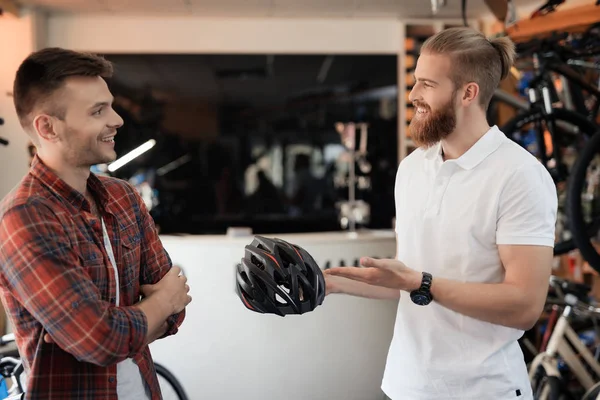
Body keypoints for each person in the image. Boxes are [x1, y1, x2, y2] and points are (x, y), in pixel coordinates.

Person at [325, 27, 557, 400]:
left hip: (482, 390)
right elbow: (406, 277)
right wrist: (328, 283)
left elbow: (524, 306)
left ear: (468, 93)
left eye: (427, 84)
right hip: (407, 385)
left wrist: (421, 283)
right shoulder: (413, 168)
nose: (414, 95)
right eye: (416, 82)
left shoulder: (520, 176)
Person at [0, 47, 191, 399]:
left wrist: (135, 321)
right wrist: (159, 304)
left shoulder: (124, 197)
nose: (117, 119)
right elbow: (98, 340)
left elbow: (176, 313)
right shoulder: (24, 217)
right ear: (48, 127)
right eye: (98, 110)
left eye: (111, 105)